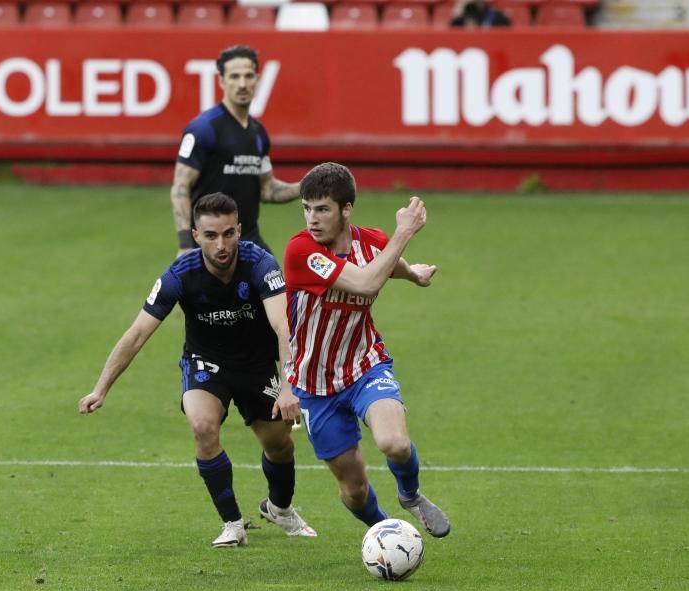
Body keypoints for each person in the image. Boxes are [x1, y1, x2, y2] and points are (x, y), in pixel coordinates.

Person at [79, 193, 318, 547]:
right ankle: (232, 523)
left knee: (279, 444)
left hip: (256, 365)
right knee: (203, 425)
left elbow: (283, 326)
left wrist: (288, 386)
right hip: (206, 365)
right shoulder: (180, 275)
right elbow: (137, 333)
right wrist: (101, 388)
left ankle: (279, 508)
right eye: (210, 235)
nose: (220, 245)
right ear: (195, 235)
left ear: (239, 230)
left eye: (227, 234)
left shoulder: (261, 265)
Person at [275, 162, 451, 537]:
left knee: (395, 443)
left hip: (363, 365)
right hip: (314, 387)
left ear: (346, 209)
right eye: (306, 208)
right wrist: (405, 232)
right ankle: (386, 531)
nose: (312, 218)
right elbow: (368, 282)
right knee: (354, 491)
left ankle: (411, 495)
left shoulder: (369, 240)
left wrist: (411, 272)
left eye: (322, 209)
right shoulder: (302, 251)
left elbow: (388, 261)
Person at [171, 45, 300, 257]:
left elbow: (267, 190)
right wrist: (186, 244)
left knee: (280, 290)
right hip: (212, 246)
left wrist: (307, 187)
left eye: (249, 76)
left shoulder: (259, 134)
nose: (242, 84)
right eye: (234, 76)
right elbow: (181, 187)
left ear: (257, 80)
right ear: (222, 81)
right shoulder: (204, 128)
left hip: (249, 242)